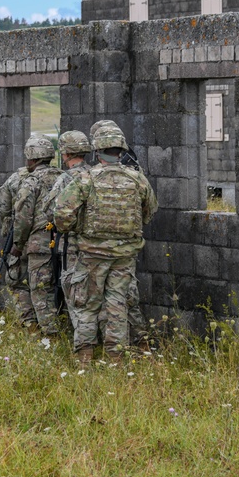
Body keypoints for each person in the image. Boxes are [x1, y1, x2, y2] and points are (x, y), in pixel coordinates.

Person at [54, 125, 157, 364]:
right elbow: (149, 211)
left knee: (87, 305)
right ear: (120, 150)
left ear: (97, 150)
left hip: (91, 253)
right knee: (117, 305)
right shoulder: (137, 178)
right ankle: (115, 358)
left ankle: (85, 357)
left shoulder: (85, 178)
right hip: (125, 255)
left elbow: (62, 213)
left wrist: (76, 228)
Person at [88, 120, 149, 346]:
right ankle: (135, 345)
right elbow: (148, 209)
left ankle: (122, 345)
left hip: (95, 248)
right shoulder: (134, 170)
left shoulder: (91, 175)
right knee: (123, 298)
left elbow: (65, 214)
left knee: (103, 300)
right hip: (126, 247)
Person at [10, 136, 64, 335]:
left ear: (31, 158)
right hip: (65, 243)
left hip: (39, 245)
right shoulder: (63, 176)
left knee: (41, 289)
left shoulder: (31, 181)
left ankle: (51, 335)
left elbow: (23, 217)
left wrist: (18, 244)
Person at [39, 130, 92, 330]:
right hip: (96, 244)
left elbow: (49, 209)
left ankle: (82, 339)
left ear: (66, 154)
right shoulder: (95, 173)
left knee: (75, 292)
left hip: (73, 245)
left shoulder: (66, 178)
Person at [0, 163, 34, 327]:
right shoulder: (59, 176)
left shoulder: (16, 179)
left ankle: (29, 322)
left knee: (16, 280)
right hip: (49, 239)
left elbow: (3, 209)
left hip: (20, 239)